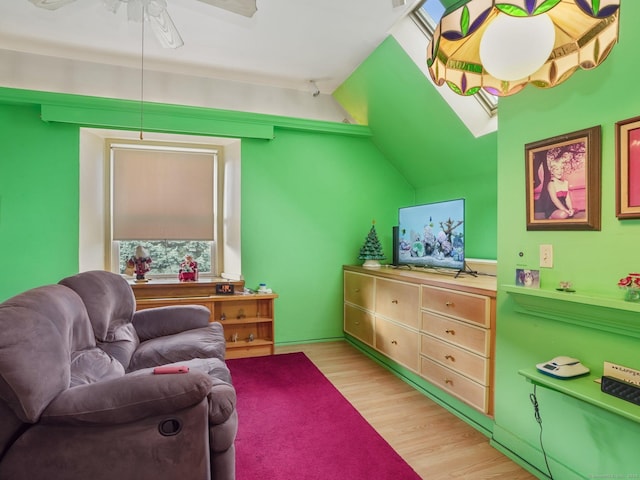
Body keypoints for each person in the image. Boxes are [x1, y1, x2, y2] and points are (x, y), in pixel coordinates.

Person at [537, 152, 575, 219]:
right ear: (552, 171)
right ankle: (551, 217)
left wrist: (570, 208)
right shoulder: (551, 184)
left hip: (562, 207)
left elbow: (567, 198)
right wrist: (565, 210)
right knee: (564, 214)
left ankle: (566, 212)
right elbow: (555, 200)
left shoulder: (565, 183)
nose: (560, 171)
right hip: (552, 209)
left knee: (572, 211)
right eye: (557, 169)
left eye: (562, 168)